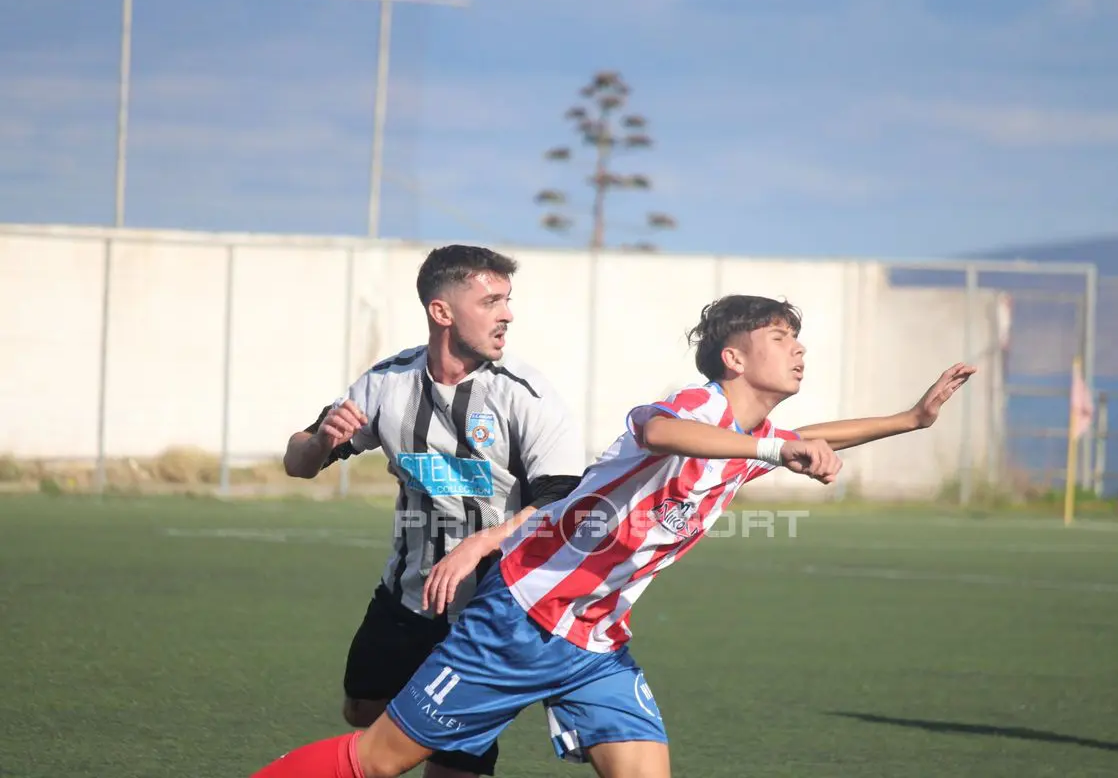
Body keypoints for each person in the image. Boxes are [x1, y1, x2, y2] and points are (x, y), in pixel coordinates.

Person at [254, 294, 976, 778]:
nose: (799, 350)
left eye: (798, 339)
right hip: (522, 617)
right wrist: (775, 450)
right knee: (377, 760)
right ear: (733, 358)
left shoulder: (743, 440)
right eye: (780, 338)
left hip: (595, 641)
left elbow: (804, 435)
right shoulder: (698, 408)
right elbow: (658, 431)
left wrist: (909, 420)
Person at [281, 244, 586, 778]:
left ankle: (459, 733)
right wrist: (322, 440)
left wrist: (479, 544)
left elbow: (565, 501)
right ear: (441, 312)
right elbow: (298, 461)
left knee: (454, 749)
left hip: (493, 605)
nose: (508, 314)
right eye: (491, 301)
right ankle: (444, 729)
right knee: (362, 708)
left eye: (507, 300)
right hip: (410, 591)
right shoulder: (387, 382)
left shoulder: (524, 392)